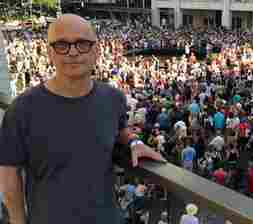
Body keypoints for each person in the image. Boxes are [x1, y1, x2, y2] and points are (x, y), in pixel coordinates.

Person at [0, 14, 165, 224]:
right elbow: (8, 172)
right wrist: (17, 220)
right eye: (62, 45)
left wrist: (135, 142)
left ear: (97, 51)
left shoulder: (113, 98)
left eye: (82, 44)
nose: (73, 52)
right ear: (50, 53)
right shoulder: (22, 109)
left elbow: (119, 129)